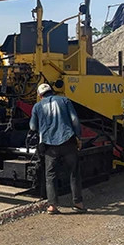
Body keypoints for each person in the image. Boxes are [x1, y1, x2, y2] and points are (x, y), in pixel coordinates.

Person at [29, 82, 85, 214]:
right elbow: (75, 120)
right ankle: (78, 204)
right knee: (74, 173)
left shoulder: (37, 106)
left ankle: (52, 206)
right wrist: (78, 137)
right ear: (52, 91)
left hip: (49, 146)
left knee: (50, 175)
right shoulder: (64, 100)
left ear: (39, 95)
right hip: (68, 142)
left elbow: (32, 127)